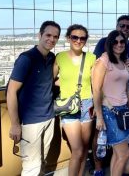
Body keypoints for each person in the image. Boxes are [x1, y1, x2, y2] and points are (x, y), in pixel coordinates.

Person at [7, 20, 61, 175]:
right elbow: (11, 91)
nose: (51, 39)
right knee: (31, 167)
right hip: (30, 122)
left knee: (42, 162)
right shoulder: (26, 59)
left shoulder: (51, 58)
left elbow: (48, 82)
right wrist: (15, 124)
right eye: (48, 35)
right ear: (40, 35)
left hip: (49, 118)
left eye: (55, 36)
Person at [53, 24, 96, 176]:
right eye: (74, 37)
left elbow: (95, 84)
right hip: (68, 105)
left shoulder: (91, 58)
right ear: (68, 38)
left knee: (84, 149)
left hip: (87, 104)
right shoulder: (60, 57)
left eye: (82, 38)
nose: (78, 40)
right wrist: (65, 84)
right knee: (77, 150)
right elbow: (51, 80)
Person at [92, 30, 129, 176]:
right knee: (124, 154)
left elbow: (126, 86)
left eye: (122, 41)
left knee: (117, 153)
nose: (119, 44)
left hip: (123, 111)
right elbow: (96, 89)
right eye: (115, 42)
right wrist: (99, 117)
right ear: (109, 43)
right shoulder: (104, 61)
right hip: (110, 111)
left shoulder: (123, 61)